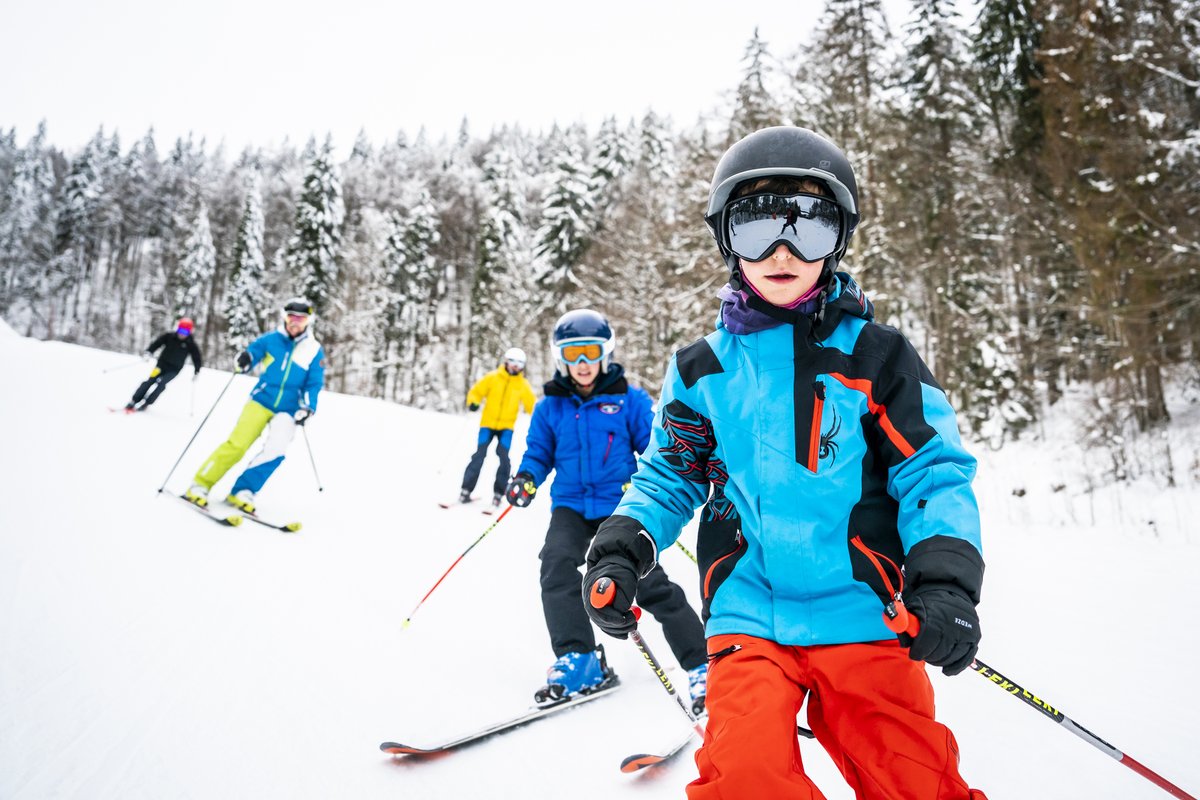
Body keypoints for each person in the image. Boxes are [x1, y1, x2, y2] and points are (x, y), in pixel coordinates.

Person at [581, 127, 988, 800]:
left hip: (869, 613)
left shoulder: (878, 359)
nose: (782, 251)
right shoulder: (702, 370)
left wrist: (946, 582)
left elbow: (932, 472)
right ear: (725, 240)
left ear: (840, 239)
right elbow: (670, 472)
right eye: (756, 226)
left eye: (810, 227)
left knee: (912, 780)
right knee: (745, 777)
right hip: (750, 614)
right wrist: (622, 547)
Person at [506, 309, 709, 710]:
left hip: (617, 508)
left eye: (590, 352)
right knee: (556, 566)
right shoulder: (550, 408)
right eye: (573, 354)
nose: (582, 363)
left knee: (648, 583)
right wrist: (526, 477)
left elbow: (656, 451)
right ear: (560, 358)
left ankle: (701, 664)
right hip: (570, 506)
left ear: (606, 353)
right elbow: (538, 454)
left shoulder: (629, 401)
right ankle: (579, 658)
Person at [184, 298, 325, 514]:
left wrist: (307, 406)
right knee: (238, 444)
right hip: (261, 400)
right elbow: (252, 355)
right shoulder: (271, 340)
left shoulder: (313, 349)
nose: (295, 322)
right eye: (291, 317)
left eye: (301, 318)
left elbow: (314, 382)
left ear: (308, 321)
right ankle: (200, 484)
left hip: (288, 408)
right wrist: (245, 359)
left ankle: (243, 490)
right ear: (284, 318)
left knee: (276, 451)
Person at [457, 347, 536, 508]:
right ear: (506, 361)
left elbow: (532, 405)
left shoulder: (522, 385)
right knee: (479, 456)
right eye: (512, 361)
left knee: (504, 459)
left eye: (519, 363)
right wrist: (473, 402)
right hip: (487, 424)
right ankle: (465, 490)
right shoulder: (492, 378)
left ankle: (499, 493)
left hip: (506, 427)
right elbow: (476, 391)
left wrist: (540, 419)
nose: (515, 365)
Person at [124, 318, 202, 412]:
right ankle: (134, 401)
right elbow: (157, 343)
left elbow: (197, 358)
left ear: (189, 332)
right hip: (161, 365)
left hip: (174, 370)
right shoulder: (169, 336)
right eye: (181, 331)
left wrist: (197, 371)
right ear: (178, 329)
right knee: (150, 381)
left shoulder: (191, 344)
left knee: (161, 383)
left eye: (185, 332)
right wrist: (149, 352)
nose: (182, 334)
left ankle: (147, 403)